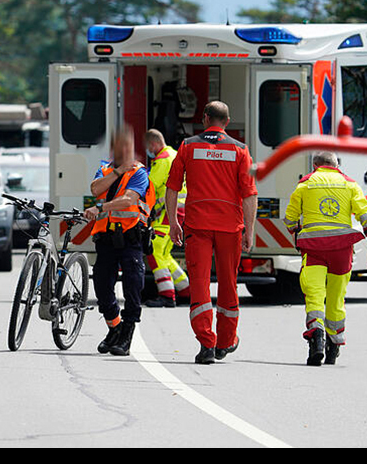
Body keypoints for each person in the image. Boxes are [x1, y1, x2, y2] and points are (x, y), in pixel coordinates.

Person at [167, 101, 257, 365]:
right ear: (227, 122)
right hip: (231, 228)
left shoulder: (188, 146)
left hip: (198, 226)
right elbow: (249, 194)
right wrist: (250, 231)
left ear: (205, 119)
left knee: (199, 285)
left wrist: (173, 221)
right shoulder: (240, 150)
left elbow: (172, 187)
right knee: (228, 284)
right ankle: (226, 342)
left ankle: (207, 344)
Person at [284, 152, 367, 366]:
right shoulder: (350, 185)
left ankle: (316, 337)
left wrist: (296, 234)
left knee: (315, 295)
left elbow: (290, 218)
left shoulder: (305, 184)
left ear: (315, 165)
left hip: (314, 249)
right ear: (337, 165)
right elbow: (366, 218)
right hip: (342, 250)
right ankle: (333, 345)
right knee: (337, 298)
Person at [84, 130, 155, 356]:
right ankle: (114, 328)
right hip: (105, 238)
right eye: (120, 146)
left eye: (128, 146)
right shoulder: (105, 169)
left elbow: (129, 200)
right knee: (102, 286)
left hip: (130, 238)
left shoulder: (139, 172)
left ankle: (127, 333)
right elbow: (95, 189)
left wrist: (101, 208)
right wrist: (117, 171)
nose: (124, 151)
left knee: (132, 287)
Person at [141, 129, 191, 308]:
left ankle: (167, 295)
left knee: (155, 249)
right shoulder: (174, 154)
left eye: (148, 147)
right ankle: (186, 290)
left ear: (153, 144)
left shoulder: (162, 160)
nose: (148, 151)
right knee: (164, 253)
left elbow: (149, 186)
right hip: (178, 211)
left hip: (168, 212)